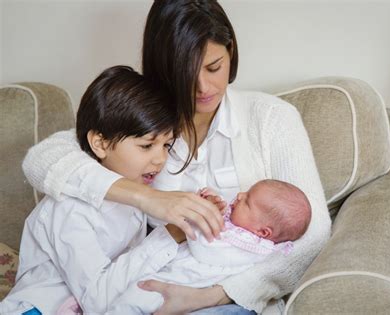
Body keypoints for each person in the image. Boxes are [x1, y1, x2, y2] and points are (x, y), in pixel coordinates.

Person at [21, 0, 332, 313]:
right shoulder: (147, 122)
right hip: (148, 285)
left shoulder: (271, 118)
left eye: (214, 67)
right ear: (162, 70)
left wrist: (216, 295)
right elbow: (43, 159)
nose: (203, 88)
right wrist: (149, 199)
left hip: (224, 299)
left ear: (231, 53)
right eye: (186, 74)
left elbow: (313, 233)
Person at [0, 65, 185, 315]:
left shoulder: (133, 188)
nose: (160, 159)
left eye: (167, 145)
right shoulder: (70, 208)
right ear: (100, 143)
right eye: (147, 145)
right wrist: (168, 236)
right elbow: (98, 299)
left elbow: (124, 275)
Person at [57, 179, 312, 314]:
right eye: (245, 193)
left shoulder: (248, 247)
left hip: (180, 286)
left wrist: (195, 226)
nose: (240, 196)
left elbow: (206, 248)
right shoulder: (243, 228)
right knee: (121, 287)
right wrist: (210, 203)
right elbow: (220, 220)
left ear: (263, 232)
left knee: (134, 299)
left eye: (247, 202)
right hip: (166, 268)